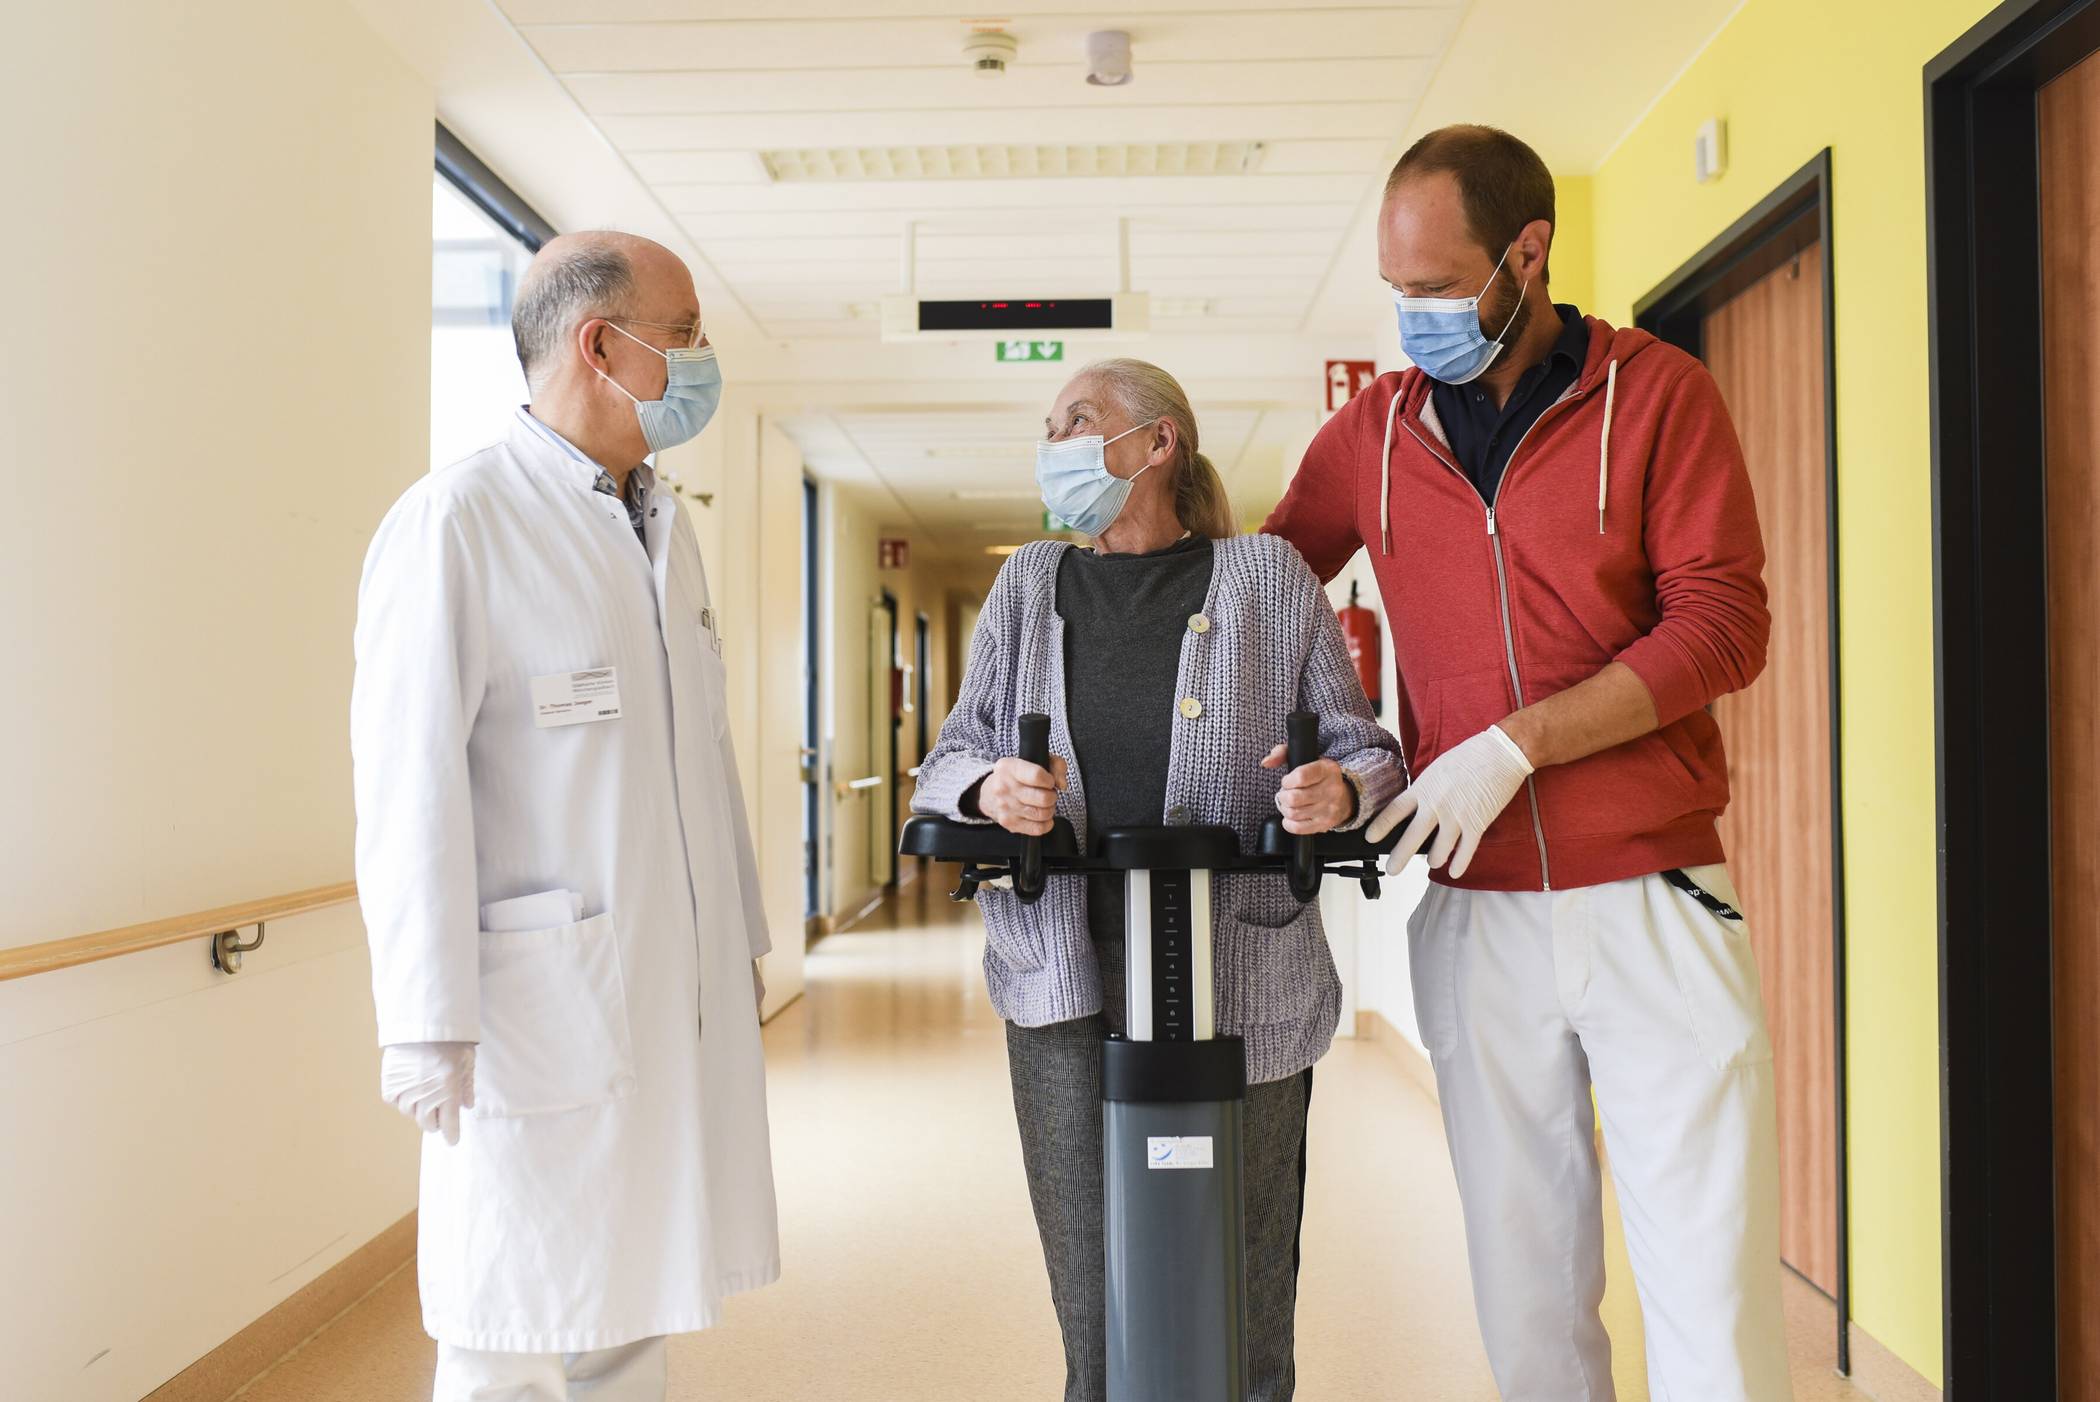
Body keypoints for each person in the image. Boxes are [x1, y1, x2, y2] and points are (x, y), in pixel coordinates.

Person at [1264, 125, 1789, 1401]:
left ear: (1528, 253)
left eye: (1438, 289)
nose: (1412, 319)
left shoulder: (1659, 396)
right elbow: (1262, 604)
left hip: (1652, 894)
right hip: (1477, 905)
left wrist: (1517, 742)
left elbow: (1725, 624)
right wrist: (1350, 760)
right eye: (1394, 292)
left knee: (1707, 1281)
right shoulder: (1370, 441)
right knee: (1525, 1290)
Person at [914, 358, 1405, 1402]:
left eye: (1079, 421)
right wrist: (992, 787)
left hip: (1247, 983)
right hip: (1061, 977)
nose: (1056, 442)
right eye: (1049, 426)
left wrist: (1335, 791)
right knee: (1095, 1300)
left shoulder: (1266, 577)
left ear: (1157, 445)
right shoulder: (1029, 582)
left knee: (1247, 1287)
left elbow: (1368, 751)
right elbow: (951, 755)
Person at [351, 231, 778, 1402]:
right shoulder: (459, 523)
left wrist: (733, 940)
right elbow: (405, 787)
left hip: (650, 989)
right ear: (604, 344)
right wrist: (424, 1020)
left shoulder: (660, 524)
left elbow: (704, 757)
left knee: (629, 1303)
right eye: (685, 337)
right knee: (522, 1326)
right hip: (532, 1010)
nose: (701, 361)